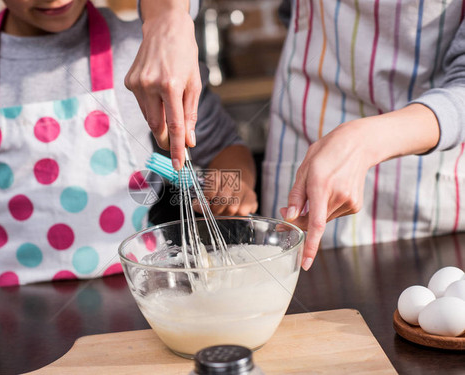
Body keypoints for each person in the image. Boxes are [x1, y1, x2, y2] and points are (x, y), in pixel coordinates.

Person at [0, 0, 257, 307]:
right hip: (5, 308)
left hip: (146, 298)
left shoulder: (143, 49)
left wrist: (230, 185)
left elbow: (222, 143)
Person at [127, 0, 465, 271]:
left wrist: (366, 141)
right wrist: (168, 16)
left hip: (426, 186)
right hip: (302, 139)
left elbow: (222, 146)